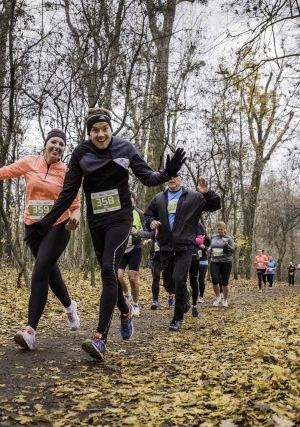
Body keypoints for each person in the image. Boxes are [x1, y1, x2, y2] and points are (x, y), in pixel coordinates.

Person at [34, 108, 186, 361]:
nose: (101, 134)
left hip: (120, 218)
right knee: (109, 275)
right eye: (95, 130)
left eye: (105, 129)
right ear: (89, 132)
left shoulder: (125, 148)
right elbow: (69, 191)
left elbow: (148, 178)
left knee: (108, 270)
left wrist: (167, 173)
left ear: (110, 129)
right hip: (96, 221)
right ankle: (125, 311)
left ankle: (100, 338)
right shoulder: (81, 153)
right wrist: (48, 221)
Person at [0, 129, 81, 351]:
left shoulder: (67, 172)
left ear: (64, 149)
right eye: (53, 142)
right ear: (45, 144)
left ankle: (30, 332)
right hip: (33, 228)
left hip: (58, 226)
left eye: (61, 144)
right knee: (50, 273)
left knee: (40, 271)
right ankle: (70, 306)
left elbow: (76, 206)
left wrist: (74, 221)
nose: (57, 146)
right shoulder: (30, 162)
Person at [145, 175, 221, 331]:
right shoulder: (159, 198)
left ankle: (177, 319)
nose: (171, 179)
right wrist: (150, 222)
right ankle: (185, 293)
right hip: (165, 246)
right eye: (169, 176)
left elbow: (214, 205)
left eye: (175, 176)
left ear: (181, 179)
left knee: (179, 279)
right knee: (169, 285)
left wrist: (206, 193)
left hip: (185, 247)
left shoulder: (193, 196)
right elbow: (148, 215)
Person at [117, 193, 149, 316]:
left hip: (136, 248)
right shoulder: (119, 214)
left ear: (134, 200)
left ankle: (136, 304)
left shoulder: (140, 214)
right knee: (118, 276)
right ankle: (127, 294)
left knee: (132, 277)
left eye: (130, 198)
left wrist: (138, 233)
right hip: (122, 248)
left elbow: (148, 232)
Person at [207, 221, 235, 307]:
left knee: (224, 282)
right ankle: (218, 297)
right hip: (215, 261)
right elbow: (210, 247)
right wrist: (208, 250)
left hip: (226, 262)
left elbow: (233, 250)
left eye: (221, 229)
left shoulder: (228, 238)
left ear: (225, 229)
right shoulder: (213, 238)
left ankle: (225, 299)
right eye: (218, 229)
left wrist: (226, 245)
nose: (219, 231)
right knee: (215, 280)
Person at [197, 222, 209, 303]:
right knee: (194, 278)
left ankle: (201, 296)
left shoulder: (207, 239)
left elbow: (209, 250)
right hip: (194, 260)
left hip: (203, 261)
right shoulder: (193, 237)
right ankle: (195, 293)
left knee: (201, 278)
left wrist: (204, 247)